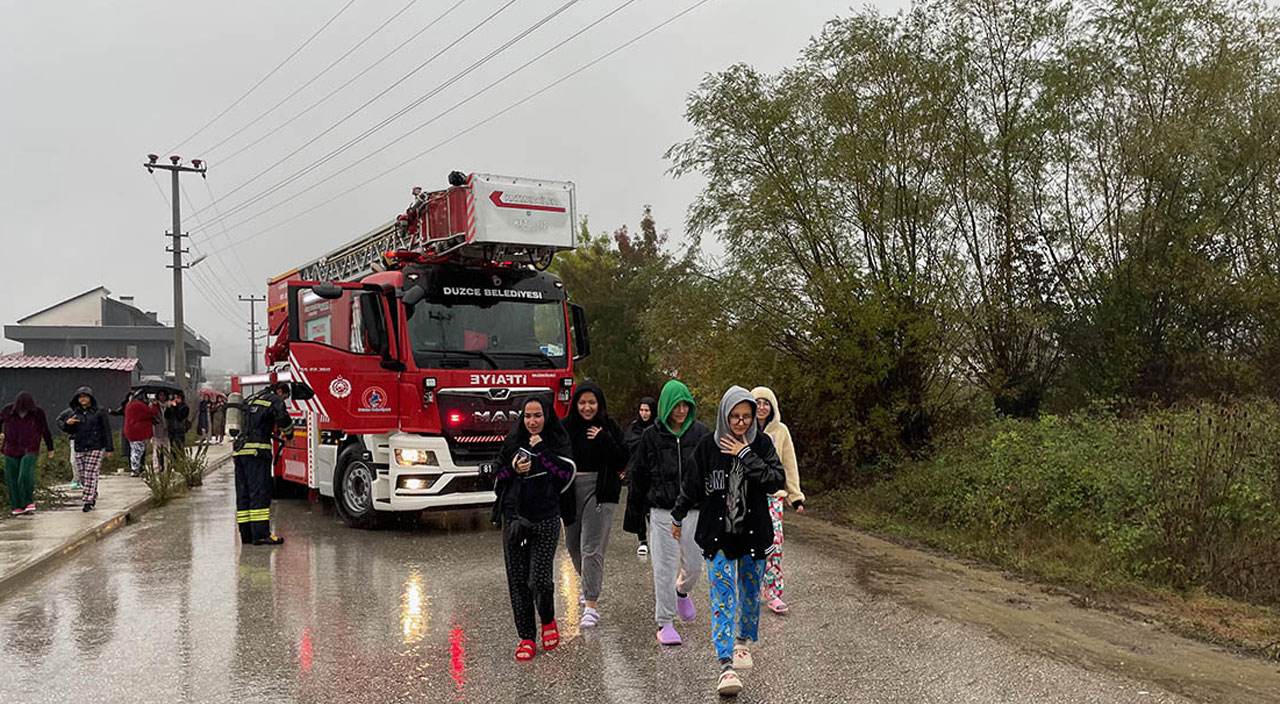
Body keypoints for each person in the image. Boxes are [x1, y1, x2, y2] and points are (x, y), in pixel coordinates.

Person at [672, 386, 784, 697]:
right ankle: (725, 666)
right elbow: (692, 484)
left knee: (749, 594)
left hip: (753, 535)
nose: (740, 423)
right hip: (718, 536)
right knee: (722, 598)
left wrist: (746, 454)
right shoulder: (708, 446)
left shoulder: (761, 444)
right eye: (734, 417)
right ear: (724, 415)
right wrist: (678, 516)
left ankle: (742, 642)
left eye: (746, 417)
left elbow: (776, 480)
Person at [629, 379, 712, 646]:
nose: (681, 410)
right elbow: (638, 476)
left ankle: (682, 592)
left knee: (695, 566)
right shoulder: (650, 437)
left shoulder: (701, 434)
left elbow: (711, 470)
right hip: (662, 511)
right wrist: (634, 515)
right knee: (664, 568)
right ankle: (664, 622)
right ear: (665, 406)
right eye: (676, 405)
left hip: (693, 510)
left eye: (685, 404)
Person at [492, 396, 575, 661]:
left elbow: (565, 474)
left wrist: (542, 452)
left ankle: (548, 619)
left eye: (537, 415)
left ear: (546, 416)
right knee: (518, 581)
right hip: (515, 518)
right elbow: (496, 475)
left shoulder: (556, 439)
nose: (532, 421)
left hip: (546, 517)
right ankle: (526, 636)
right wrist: (514, 468)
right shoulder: (513, 440)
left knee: (539, 578)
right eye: (527, 416)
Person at [561, 380, 628, 628]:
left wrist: (603, 439)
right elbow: (553, 457)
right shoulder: (565, 428)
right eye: (582, 402)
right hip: (570, 490)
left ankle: (591, 605)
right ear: (575, 404)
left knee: (591, 548)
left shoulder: (609, 427)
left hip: (601, 491)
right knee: (573, 546)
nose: (587, 407)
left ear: (599, 404)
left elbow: (623, 458)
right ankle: (589, 582)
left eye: (592, 402)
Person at [751, 386, 805, 614]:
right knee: (748, 547)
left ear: (772, 407)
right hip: (748, 497)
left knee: (774, 544)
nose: (762, 407)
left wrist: (795, 495)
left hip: (773, 497)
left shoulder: (781, 431)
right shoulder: (744, 428)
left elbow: (789, 464)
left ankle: (773, 592)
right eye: (758, 403)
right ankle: (749, 592)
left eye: (766, 403)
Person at [233, 382, 293, 545]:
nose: (283, 400)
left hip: (240, 452)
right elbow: (283, 419)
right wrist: (289, 434)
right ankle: (260, 535)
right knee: (259, 493)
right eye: (284, 397)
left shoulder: (252, 398)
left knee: (243, 494)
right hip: (257, 453)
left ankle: (246, 535)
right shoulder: (274, 400)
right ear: (280, 391)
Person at [57, 387, 115, 512]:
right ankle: (92, 493)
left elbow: (106, 430)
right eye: (80, 397)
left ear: (90, 398)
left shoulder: (99, 411)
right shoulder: (75, 413)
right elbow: (68, 429)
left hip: (96, 446)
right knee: (83, 476)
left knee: (90, 473)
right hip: (80, 446)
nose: (83, 399)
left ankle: (88, 501)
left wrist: (110, 448)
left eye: (85, 396)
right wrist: (68, 424)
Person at [0, 392, 55, 516]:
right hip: (10, 449)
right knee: (12, 478)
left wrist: (50, 448)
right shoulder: (8, 410)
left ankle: (27, 502)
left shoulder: (38, 413)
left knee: (25, 475)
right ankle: (16, 506)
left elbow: (45, 430)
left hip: (30, 448)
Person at [623, 397, 657, 555]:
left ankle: (656, 538)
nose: (644, 414)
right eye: (642, 410)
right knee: (638, 507)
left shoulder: (658, 428)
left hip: (653, 473)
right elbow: (626, 448)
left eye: (647, 410)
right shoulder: (633, 428)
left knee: (654, 507)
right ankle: (642, 539)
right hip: (635, 473)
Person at [124, 392, 160, 477]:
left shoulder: (129, 405)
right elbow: (152, 413)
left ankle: (135, 468)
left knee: (134, 449)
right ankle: (135, 469)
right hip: (139, 431)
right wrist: (155, 405)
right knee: (138, 451)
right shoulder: (139, 405)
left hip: (130, 431)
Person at [166, 390, 191, 455]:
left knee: (180, 447)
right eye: (175, 398)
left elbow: (180, 417)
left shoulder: (185, 407)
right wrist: (169, 408)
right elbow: (167, 416)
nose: (176, 400)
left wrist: (175, 407)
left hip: (180, 430)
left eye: (178, 398)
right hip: (172, 430)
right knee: (172, 448)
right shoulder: (171, 407)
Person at [151, 391, 171, 473]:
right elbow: (152, 415)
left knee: (166, 451)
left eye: (164, 395)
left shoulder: (169, 405)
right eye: (160, 395)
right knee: (156, 450)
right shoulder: (154, 405)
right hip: (157, 431)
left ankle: (166, 467)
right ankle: (156, 467)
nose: (162, 397)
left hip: (166, 431)